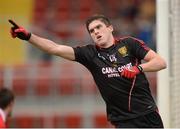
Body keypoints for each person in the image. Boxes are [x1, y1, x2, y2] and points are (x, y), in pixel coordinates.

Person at [9, 14, 166, 128]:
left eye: (99, 27)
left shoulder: (130, 44)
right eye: (91, 31)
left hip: (148, 114)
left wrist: (138, 68)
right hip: (123, 120)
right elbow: (54, 48)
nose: (96, 32)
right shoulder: (89, 54)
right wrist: (28, 36)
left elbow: (160, 62)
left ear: (110, 28)